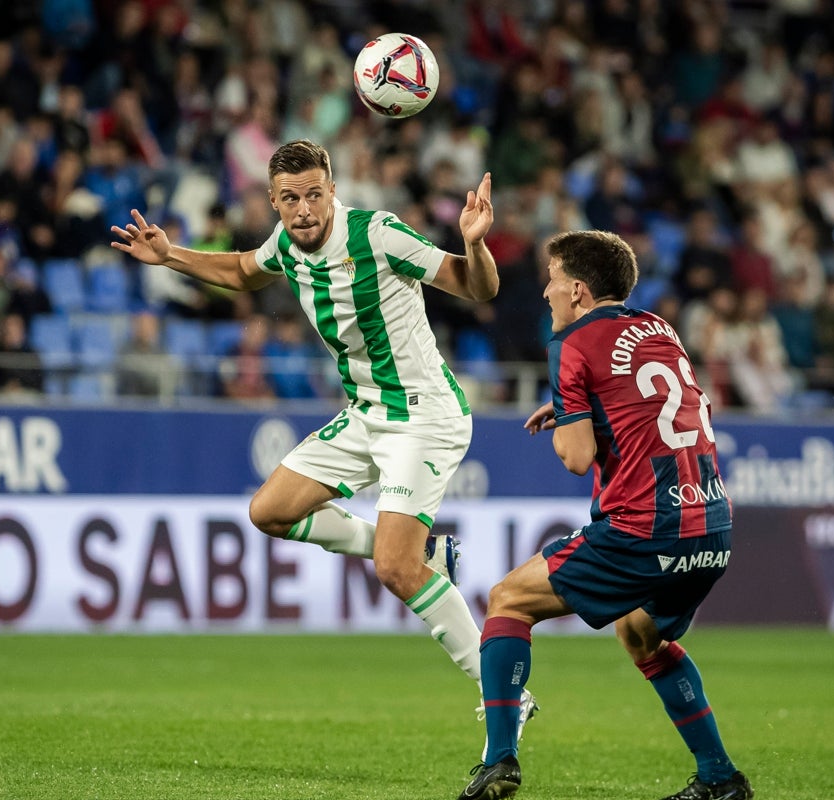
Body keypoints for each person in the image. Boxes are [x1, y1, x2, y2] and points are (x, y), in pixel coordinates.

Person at [110, 138, 537, 728]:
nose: (304, 209)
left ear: (333, 191)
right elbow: (240, 270)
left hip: (423, 415)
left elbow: (476, 287)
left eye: (314, 194)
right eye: (291, 198)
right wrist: (171, 256)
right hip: (367, 412)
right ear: (274, 202)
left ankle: (503, 694)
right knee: (270, 511)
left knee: (395, 568)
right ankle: (430, 554)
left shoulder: (377, 234)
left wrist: (474, 243)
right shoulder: (286, 242)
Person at [456, 230, 751, 800]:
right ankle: (719, 774)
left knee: (508, 600)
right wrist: (585, 407)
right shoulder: (659, 329)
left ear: (579, 291)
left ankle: (498, 761)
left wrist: (573, 412)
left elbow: (576, 458)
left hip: (645, 528)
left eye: (553, 279)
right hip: (712, 527)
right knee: (640, 632)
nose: (545, 291)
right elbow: (648, 400)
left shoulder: (571, 343)